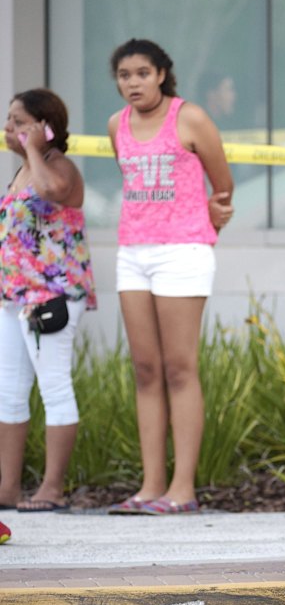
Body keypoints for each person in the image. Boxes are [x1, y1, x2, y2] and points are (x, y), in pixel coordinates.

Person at [107, 38, 234, 516]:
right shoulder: (116, 124)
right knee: (145, 369)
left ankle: (182, 490)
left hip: (183, 253)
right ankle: (150, 486)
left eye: (142, 72)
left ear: (161, 73)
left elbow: (223, 185)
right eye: (124, 75)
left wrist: (207, 223)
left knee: (180, 368)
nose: (133, 82)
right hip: (132, 252)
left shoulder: (190, 117)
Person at [0, 88, 97, 512]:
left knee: (54, 387)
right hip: (13, 297)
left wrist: (35, 150)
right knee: (8, 392)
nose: (10, 128)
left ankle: (52, 487)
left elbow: (53, 192)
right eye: (9, 120)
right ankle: (7, 487)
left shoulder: (59, 168)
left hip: (51, 297)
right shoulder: (22, 170)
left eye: (20, 121)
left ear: (45, 127)